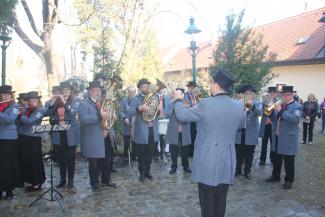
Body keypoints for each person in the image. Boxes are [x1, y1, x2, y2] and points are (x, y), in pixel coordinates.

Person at [174, 69, 245, 217]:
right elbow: (240, 126)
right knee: (221, 199)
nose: (210, 85)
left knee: (207, 201)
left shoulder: (206, 103)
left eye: (212, 82)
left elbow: (182, 115)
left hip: (208, 159)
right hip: (228, 158)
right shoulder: (239, 105)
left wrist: (178, 100)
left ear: (217, 85)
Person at [79, 81, 114, 191]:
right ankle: (94, 183)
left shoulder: (102, 102)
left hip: (105, 134)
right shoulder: (84, 103)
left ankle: (106, 180)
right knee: (94, 162)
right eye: (96, 91)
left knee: (107, 159)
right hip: (93, 137)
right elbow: (84, 119)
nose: (98, 93)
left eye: (100, 91)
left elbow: (108, 117)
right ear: (90, 91)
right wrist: (99, 115)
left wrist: (108, 127)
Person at [265, 86, 302, 190]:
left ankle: (289, 180)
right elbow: (273, 118)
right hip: (277, 135)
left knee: (288, 160)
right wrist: (271, 111)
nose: (284, 97)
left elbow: (294, 119)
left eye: (287, 95)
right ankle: (275, 176)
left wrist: (281, 111)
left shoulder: (297, 106)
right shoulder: (280, 104)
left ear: (292, 95)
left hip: (288, 137)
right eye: (283, 95)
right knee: (277, 158)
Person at [46, 81, 80, 189]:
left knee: (70, 159)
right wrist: (52, 102)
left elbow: (73, 113)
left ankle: (70, 180)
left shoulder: (75, 101)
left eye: (67, 90)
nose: (65, 92)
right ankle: (62, 179)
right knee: (61, 159)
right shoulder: (56, 101)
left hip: (70, 134)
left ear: (71, 92)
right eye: (63, 90)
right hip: (58, 133)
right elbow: (47, 113)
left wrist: (64, 102)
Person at [128, 78, 159, 182]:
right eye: (144, 86)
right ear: (140, 88)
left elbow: (156, 112)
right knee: (141, 154)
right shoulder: (135, 99)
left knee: (150, 153)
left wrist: (158, 110)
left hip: (152, 128)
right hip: (141, 130)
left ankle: (148, 172)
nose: (146, 88)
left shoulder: (154, 97)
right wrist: (139, 108)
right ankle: (141, 173)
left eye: (147, 86)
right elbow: (130, 112)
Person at [18, 91, 46, 192]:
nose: (31, 103)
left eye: (34, 100)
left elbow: (30, 121)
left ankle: (37, 183)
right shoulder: (27, 109)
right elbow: (21, 123)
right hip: (25, 137)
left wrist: (20, 115)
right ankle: (31, 181)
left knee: (35, 161)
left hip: (34, 138)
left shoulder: (40, 110)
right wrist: (22, 114)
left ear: (38, 101)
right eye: (30, 101)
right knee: (28, 160)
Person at [0, 85, 23, 200]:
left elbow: (9, 119)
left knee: (7, 165)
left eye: (8, 94)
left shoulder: (15, 106)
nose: (6, 96)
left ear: (11, 95)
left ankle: (9, 190)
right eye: (3, 94)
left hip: (9, 139)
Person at [235, 84, 262, 179]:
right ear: (243, 94)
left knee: (249, 153)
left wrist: (252, 105)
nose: (249, 95)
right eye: (246, 93)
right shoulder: (238, 102)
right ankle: (237, 169)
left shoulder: (257, 103)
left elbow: (259, 112)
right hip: (239, 132)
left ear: (254, 94)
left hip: (251, 132)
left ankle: (247, 171)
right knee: (238, 152)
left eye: (251, 93)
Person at [165, 88, 192, 174]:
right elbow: (167, 115)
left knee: (185, 149)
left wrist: (184, 107)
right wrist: (174, 107)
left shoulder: (187, 102)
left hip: (184, 129)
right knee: (174, 149)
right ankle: (174, 167)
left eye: (179, 94)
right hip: (174, 130)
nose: (177, 96)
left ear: (182, 95)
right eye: (176, 94)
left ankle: (186, 166)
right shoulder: (170, 104)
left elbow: (189, 114)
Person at [259, 87, 277, 165]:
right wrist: (269, 108)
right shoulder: (264, 101)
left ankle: (273, 159)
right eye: (270, 93)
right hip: (265, 124)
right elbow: (264, 112)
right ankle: (262, 159)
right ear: (268, 93)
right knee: (264, 143)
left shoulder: (278, 102)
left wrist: (271, 108)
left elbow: (277, 113)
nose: (272, 94)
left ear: (275, 94)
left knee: (273, 143)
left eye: (273, 93)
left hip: (273, 125)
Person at [118, 86, 136, 161]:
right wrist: (125, 117)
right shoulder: (124, 100)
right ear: (128, 92)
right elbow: (120, 112)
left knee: (135, 140)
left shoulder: (137, 100)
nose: (131, 94)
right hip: (126, 124)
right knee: (126, 140)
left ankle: (134, 155)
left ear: (135, 93)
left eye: (133, 92)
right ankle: (126, 155)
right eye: (130, 92)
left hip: (135, 124)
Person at [184, 81, 198, 157]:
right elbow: (187, 105)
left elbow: (198, 103)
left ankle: (193, 151)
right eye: (192, 87)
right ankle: (190, 152)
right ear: (189, 87)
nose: (193, 89)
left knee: (194, 134)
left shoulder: (194, 95)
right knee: (190, 135)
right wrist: (193, 105)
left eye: (194, 87)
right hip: (189, 118)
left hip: (194, 118)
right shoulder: (186, 95)